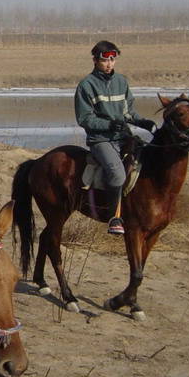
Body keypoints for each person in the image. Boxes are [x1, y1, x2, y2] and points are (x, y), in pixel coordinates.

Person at [74, 41, 155, 235]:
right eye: (105, 60)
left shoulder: (121, 81)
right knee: (117, 172)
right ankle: (114, 218)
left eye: (113, 59)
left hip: (122, 136)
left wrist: (143, 122)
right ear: (95, 60)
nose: (109, 63)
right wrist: (109, 125)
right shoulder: (86, 85)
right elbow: (84, 118)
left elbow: (128, 112)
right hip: (101, 139)